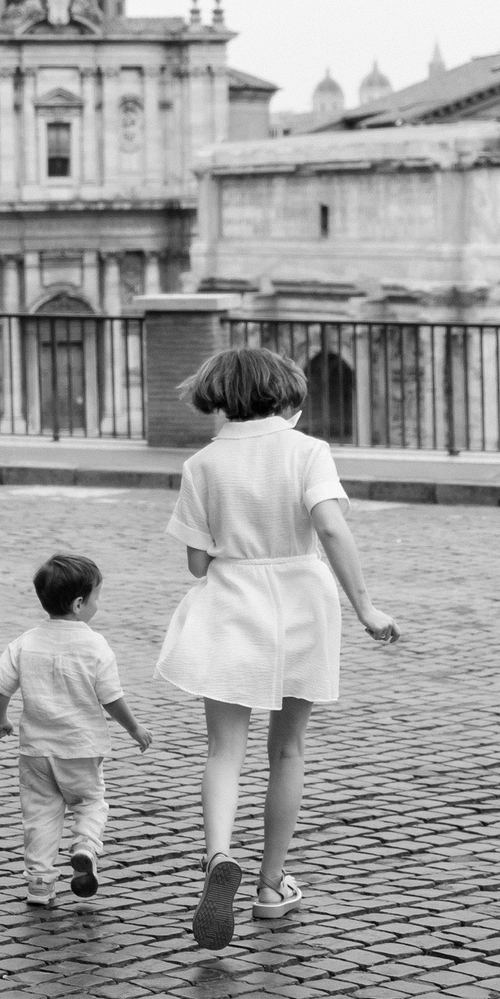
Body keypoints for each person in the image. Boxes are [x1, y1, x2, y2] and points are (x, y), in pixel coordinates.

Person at [156, 346, 398, 950]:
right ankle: (269, 886)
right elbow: (331, 527)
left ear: (220, 398)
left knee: (223, 749)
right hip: (301, 600)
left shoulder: (202, 464)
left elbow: (194, 562)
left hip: (233, 597)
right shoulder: (308, 451)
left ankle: (217, 857)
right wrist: (365, 606)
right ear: (283, 394)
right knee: (287, 750)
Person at [0, 553, 154, 908]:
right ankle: (85, 848)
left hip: (35, 751)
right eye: (96, 597)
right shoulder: (95, 646)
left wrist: (0, 721)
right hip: (81, 749)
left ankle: (39, 884)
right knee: (92, 802)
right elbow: (111, 698)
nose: (98, 604)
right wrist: (134, 728)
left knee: (40, 815)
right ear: (79, 604)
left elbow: (0, 687)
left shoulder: (25, 642)